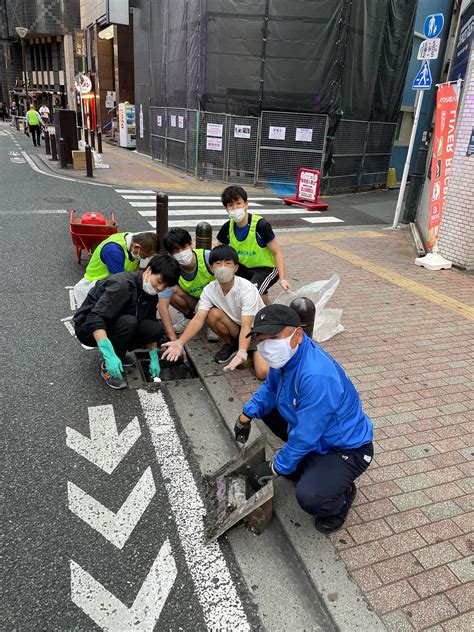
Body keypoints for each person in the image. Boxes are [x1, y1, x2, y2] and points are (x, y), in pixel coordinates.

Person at [234, 304, 374, 534]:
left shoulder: (317, 375)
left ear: (297, 334)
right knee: (267, 409)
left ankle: (342, 498)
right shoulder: (287, 358)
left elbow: (307, 434)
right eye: (261, 338)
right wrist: (246, 415)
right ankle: (307, 466)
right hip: (316, 434)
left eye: (274, 337)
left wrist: (276, 467)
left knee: (311, 497)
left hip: (344, 448)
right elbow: (270, 389)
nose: (267, 345)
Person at [162, 245, 269, 380]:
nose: (223, 268)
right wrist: (180, 342)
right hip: (237, 327)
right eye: (218, 264)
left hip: (257, 330)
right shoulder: (210, 289)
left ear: (235, 267)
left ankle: (245, 351)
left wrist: (243, 351)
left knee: (263, 373)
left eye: (228, 263)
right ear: (212, 268)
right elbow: (198, 319)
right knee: (212, 314)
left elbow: (247, 325)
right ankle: (234, 346)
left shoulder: (246, 289)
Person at [73, 255, 180, 389]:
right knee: (128, 322)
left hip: (115, 324)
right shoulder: (122, 285)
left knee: (155, 329)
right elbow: (95, 318)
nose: (160, 288)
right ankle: (109, 365)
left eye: (165, 286)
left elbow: (151, 323)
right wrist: (109, 355)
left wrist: (154, 358)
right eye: (159, 281)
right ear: (149, 270)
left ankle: (120, 354)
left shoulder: (150, 293)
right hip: (88, 328)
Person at [217, 185, 291, 305]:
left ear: (246, 204)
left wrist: (283, 279)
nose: (235, 208)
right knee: (228, 287)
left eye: (238, 203)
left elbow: (277, 253)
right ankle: (270, 313)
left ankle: (249, 321)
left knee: (250, 293)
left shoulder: (260, 226)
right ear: (226, 209)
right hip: (242, 268)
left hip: (266, 269)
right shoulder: (227, 227)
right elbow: (217, 252)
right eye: (230, 205)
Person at [73, 231, 159, 307]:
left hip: (112, 284)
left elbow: (135, 271)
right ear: (136, 247)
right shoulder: (114, 251)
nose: (143, 259)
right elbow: (120, 283)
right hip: (95, 288)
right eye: (144, 256)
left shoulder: (134, 243)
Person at [161, 228, 214, 333]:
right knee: (170, 290)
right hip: (193, 300)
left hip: (215, 300)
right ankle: (190, 318)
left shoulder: (207, 257)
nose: (181, 253)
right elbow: (162, 305)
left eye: (184, 247)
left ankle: (213, 325)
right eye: (176, 251)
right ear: (170, 254)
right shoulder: (172, 267)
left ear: (191, 244)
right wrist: (171, 336)